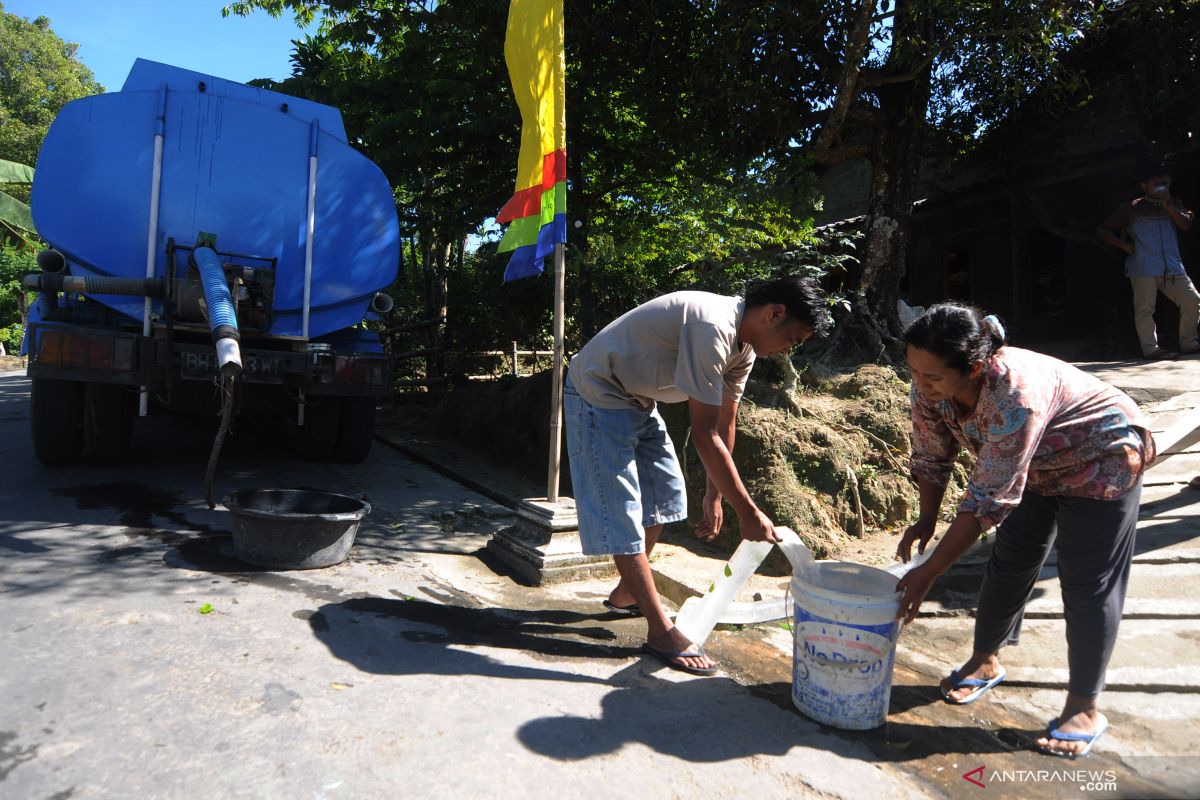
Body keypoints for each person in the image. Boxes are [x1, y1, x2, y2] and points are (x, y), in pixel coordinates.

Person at [895, 303, 1154, 758]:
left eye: (931, 376)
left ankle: (1084, 707)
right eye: (914, 372)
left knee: (1088, 584)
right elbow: (933, 455)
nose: (921, 385)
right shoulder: (931, 387)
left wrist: (930, 570)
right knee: (1010, 560)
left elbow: (985, 503)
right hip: (1034, 465)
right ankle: (984, 660)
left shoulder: (1014, 395)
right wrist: (926, 520)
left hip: (1103, 456)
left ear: (974, 367)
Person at [564, 276, 832, 675]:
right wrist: (748, 511)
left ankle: (626, 593)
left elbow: (725, 423)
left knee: (665, 497)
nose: (787, 350)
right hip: (599, 391)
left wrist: (715, 494)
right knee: (621, 510)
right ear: (773, 314)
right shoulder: (713, 326)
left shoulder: (743, 349)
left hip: (638, 399)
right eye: (792, 339)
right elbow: (704, 433)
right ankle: (659, 630)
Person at [1097, 159, 1198, 359]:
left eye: (1165, 183)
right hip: (1143, 266)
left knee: (1193, 301)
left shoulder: (1175, 204)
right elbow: (1103, 230)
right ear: (1144, 186)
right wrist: (1124, 246)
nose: (1162, 187)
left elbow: (1186, 225)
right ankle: (1150, 349)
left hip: (1173, 266)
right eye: (1156, 184)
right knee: (1145, 309)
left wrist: (1168, 206)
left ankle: (1189, 342)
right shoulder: (1132, 208)